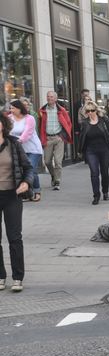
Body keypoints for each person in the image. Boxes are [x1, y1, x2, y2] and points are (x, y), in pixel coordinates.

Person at [0, 113, 34, 292]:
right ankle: (0, 276)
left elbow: (28, 167)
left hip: (12, 195)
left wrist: (26, 183)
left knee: (14, 237)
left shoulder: (13, 143)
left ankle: (17, 278)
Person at [78, 101, 109, 205]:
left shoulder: (104, 120)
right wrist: (80, 151)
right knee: (94, 173)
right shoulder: (84, 123)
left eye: (92, 110)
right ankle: (96, 195)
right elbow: (82, 138)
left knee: (104, 172)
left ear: (96, 110)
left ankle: (105, 191)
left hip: (104, 150)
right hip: (91, 151)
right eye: (88, 111)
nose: (90, 113)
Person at [9, 100, 43, 202]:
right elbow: (7, 131)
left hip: (33, 149)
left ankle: (37, 191)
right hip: (19, 150)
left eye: (13, 108)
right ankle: (27, 193)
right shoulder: (9, 118)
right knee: (23, 171)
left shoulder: (29, 118)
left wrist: (18, 142)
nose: (11, 110)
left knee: (31, 169)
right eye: (10, 108)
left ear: (19, 109)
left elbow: (27, 133)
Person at [38, 91, 73, 191]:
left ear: (56, 99)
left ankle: (57, 181)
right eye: (48, 96)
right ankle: (53, 175)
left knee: (58, 162)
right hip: (47, 138)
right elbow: (39, 125)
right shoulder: (42, 110)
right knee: (47, 161)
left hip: (58, 138)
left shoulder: (61, 110)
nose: (49, 98)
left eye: (52, 97)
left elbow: (68, 123)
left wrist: (63, 136)